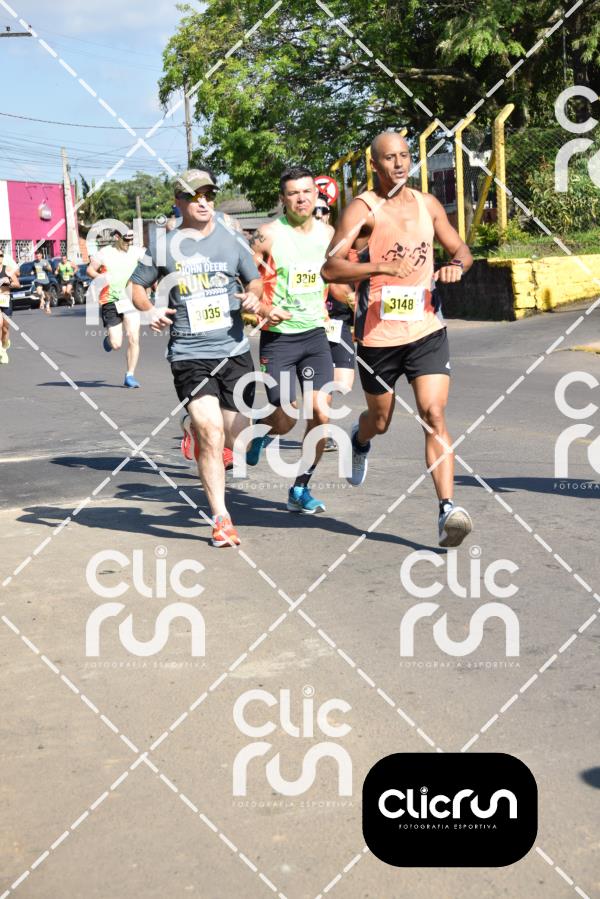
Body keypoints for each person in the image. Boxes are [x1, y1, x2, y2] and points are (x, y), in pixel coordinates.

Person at [321, 130, 473, 548]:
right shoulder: (363, 210)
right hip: (377, 336)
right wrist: (379, 268)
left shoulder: (427, 205)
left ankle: (446, 510)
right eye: (390, 157)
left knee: (433, 413)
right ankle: (360, 439)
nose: (400, 163)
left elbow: (461, 249)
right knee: (381, 421)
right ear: (375, 165)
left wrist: (457, 266)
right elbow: (330, 268)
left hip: (426, 329)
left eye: (405, 155)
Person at [130, 168, 263, 547]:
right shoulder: (164, 245)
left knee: (239, 441)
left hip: (234, 351)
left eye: (208, 195)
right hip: (189, 354)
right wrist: (149, 310)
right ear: (179, 201)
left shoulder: (232, 240)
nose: (203, 202)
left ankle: (192, 427)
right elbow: (136, 286)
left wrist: (253, 296)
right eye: (194, 196)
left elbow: (254, 279)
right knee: (211, 432)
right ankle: (221, 518)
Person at [248, 166, 350, 514]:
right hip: (279, 338)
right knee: (287, 416)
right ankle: (263, 430)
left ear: (316, 195)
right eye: (293, 193)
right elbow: (248, 281)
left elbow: (334, 278)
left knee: (322, 413)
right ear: (283, 199)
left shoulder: (329, 234)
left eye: (307, 192)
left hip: (316, 336)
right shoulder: (267, 235)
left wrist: (355, 300)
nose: (301, 198)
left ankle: (300, 487)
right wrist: (263, 308)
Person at [87, 228, 146, 388]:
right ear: (117, 237)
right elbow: (90, 270)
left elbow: (152, 265)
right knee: (116, 344)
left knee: (134, 338)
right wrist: (100, 277)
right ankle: (109, 340)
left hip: (130, 299)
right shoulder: (104, 253)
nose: (129, 242)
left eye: (131, 239)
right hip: (110, 300)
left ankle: (130, 375)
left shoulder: (137, 252)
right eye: (126, 239)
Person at [0, 250, 20, 364]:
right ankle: (1, 351)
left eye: (0, 255)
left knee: (5, 327)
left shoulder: (7, 270)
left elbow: (17, 284)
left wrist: (8, 283)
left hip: (6, 300)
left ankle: (4, 346)